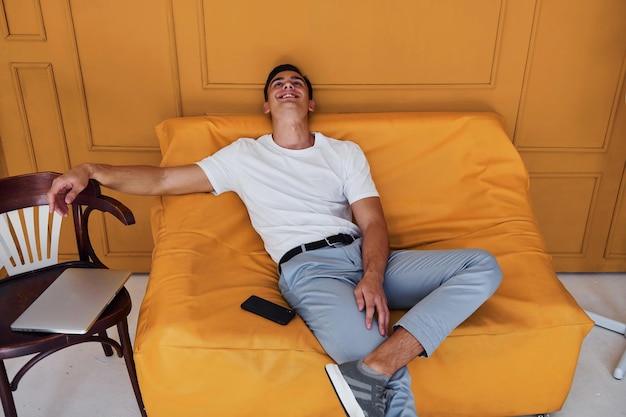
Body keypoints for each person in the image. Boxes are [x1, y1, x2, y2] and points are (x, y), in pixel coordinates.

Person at [47, 64, 502, 417]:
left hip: (364, 255)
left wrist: (373, 275)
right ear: (267, 104)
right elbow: (164, 179)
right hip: (310, 271)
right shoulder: (244, 156)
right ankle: (380, 366)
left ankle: (380, 363)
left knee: (482, 265)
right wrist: (90, 171)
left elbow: (374, 224)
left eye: (297, 82)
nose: (287, 86)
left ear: (310, 102)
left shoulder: (343, 153)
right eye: (278, 84)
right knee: (381, 373)